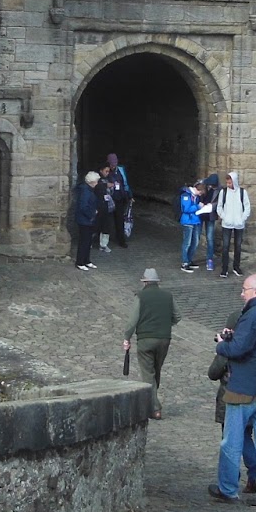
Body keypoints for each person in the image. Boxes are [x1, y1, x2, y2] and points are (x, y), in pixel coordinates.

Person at [209, 273, 256, 507]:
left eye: (245, 289)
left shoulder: (252, 316)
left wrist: (222, 344)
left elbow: (238, 350)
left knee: (231, 441)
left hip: (244, 388)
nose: (242, 294)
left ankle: (227, 489)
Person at [208, 301, 256, 492]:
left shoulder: (230, 348)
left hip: (229, 397)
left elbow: (213, 372)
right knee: (246, 436)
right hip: (253, 395)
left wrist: (222, 345)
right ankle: (255, 474)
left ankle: (230, 479)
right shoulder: (253, 345)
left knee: (230, 440)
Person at [123, 267, 179, 419]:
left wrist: (127, 337)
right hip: (164, 339)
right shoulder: (168, 296)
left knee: (148, 374)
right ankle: (152, 401)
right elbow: (177, 316)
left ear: (145, 282)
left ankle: (154, 408)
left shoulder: (141, 296)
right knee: (156, 370)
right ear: (157, 282)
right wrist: (165, 325)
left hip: (145, 340)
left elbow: (132, 321)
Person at [215, 172, 251, 278]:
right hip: (227, 224)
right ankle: (224, 269)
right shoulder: (223, 192)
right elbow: (219, 206)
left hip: (239, 224)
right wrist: (224, 217)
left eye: (230, 183)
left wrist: (242, 219)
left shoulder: (242, 192)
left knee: (238, 246)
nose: (228, 185)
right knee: (225, 246)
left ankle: (236, 267)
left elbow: (247, 207)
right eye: (227, 183)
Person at [73, 171, 100, 270]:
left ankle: (86, 260)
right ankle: (80, 262)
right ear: (92, 182)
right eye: (96, 181)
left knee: (88, 241)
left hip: (88, 220)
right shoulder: (85, 191)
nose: (97, 183)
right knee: (84, 241)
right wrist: (92, 213)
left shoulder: (88, 190)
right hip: (84, 220)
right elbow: (83, 207)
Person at [106, 153, 132, 248]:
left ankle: (121, 239)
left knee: (119, 219)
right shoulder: (106, 170)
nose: (114, 165)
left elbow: (125, 182)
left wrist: (130, 195)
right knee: (107, 220)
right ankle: (104, 241)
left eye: (115, 163)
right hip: (109, 198)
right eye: (112, 164)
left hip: (120, 198)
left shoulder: (121, 169)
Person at [178, 181, 202, 272]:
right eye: (200, 192)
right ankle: (185, 263)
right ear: (197, 189)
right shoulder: (185, 195)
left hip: (195, 221)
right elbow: (186, 209)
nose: (200, 194)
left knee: (195, 242)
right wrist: (198, 206)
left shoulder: (195, 196)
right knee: (187, 243)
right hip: (187, 221)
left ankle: (189, 260)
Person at [199, 172, 220, 271]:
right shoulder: (205, 185)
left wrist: (211, 206)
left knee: (210, 238)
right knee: (195, 237)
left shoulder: (220, 191)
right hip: (200, 214)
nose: (210, 185)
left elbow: (219, 202)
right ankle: (188, 260)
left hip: (210, 215)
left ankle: (209, 259)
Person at [96, 164, 118, 253]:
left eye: (108, 171)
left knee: (106, 226)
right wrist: (105, 185)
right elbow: (96, 188)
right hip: (100, 206)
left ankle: (103, 244)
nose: (107, 173)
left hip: (108, 206)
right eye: (106, 171)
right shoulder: (97, 179)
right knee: (96, 225)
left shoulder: (109, 179)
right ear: (101, 170)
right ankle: (91, 241)